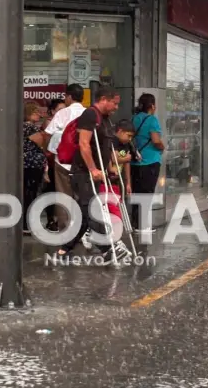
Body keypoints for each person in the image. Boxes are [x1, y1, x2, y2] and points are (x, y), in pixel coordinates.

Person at [56, 85, 130, 262]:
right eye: (114, 103)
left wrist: (110, 167)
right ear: (103, 99)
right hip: (83, 173)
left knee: (85, 213)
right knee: (92, 209)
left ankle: (64, 250)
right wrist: (93, 168)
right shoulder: (90, 115)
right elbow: (84, 144)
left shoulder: (105, 119)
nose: (116, 107)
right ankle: (108, 247)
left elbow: (105, 147)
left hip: (95, 174)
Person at [43, 84, 86, 231]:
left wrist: (48, 152)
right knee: (81, 195)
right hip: (83, 161)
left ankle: (66, 229)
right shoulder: (88, 114)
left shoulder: (62, 114)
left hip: (62, 161)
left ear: (69, 97)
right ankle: (82, 228)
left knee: (63, 195)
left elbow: (47, 134)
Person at [130, 93, 165, 233]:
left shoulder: (134, 119)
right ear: (152, 106)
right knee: (147, 193)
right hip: (150, 161)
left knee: (137, 192)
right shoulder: (152, 120)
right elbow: (156, 140)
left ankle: (135, 223)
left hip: (135, 161)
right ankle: (142, 225)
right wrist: (162, 147)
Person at [42, 99, 66, 232]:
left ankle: (59, 219)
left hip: (62, 161)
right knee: (51, 190)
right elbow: (47, 143)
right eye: (60, 110)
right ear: (52, 111)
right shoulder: (50, 123)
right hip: (51, 161)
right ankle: (51, 219)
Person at [22, 103, 47, 234]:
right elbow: (41, 141)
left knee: (28, 193)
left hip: (29, 164)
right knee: (30, 193)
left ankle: (26, 223)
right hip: (32, 165)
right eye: (35, 112)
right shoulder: (29, 127)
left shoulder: (26, 127)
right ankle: (27, 224)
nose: (39, 114)